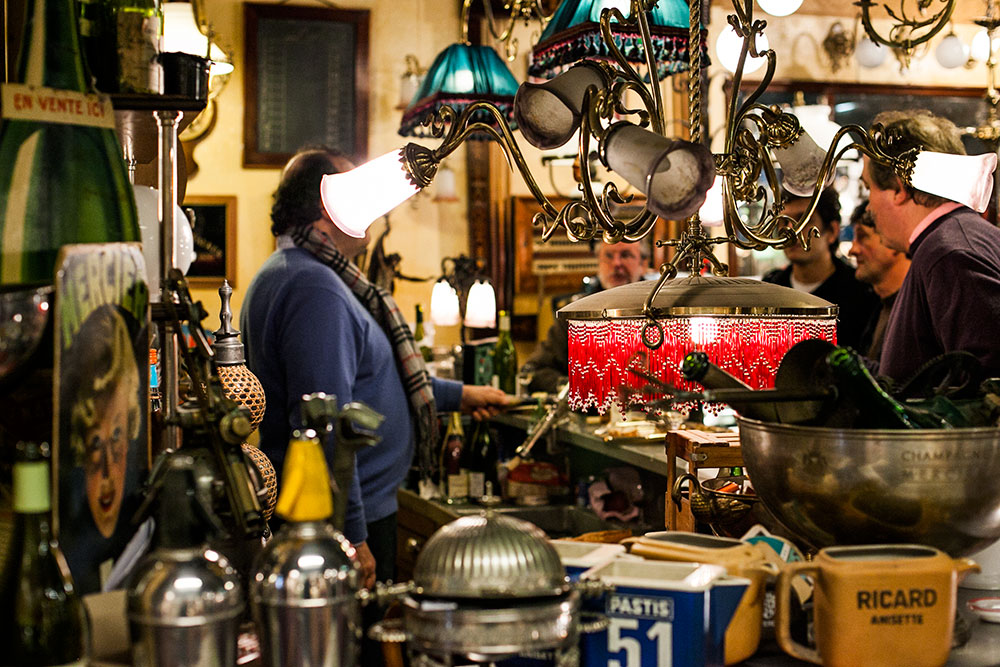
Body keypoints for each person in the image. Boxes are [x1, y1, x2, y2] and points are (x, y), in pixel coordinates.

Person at [241, 148, 508, 591]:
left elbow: (372, 380)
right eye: (357, 186)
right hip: (342, 520)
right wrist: (354, 536)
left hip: (344, 510)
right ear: (328, 204)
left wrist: (461, 395)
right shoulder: (313, 286)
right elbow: (324, 424)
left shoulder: (296, 271)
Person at [862, 109, 1000, 382]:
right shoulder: (952, 240)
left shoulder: (949, 253)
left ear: (900, 188)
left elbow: (986, 387)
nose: (869, 207)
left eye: (869, 188)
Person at [521, 238, 650, 393]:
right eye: (608, 256)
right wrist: (580, 388)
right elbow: (533, 372)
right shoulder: (577, 315)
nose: (617, 264)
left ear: (643, 264)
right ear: (598, 262)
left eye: (626, 255)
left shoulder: (664, 311)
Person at [762, 188, 880, 350]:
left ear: (832, 231)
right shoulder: (770, 289)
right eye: (784, 222)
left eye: (803, 220)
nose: (791, 230)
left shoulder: (860, 292)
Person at [847, 201, 910, 360]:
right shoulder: (874, 306)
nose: (852, 250)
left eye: (862, 237)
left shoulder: (915, 311)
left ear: (893, 240)